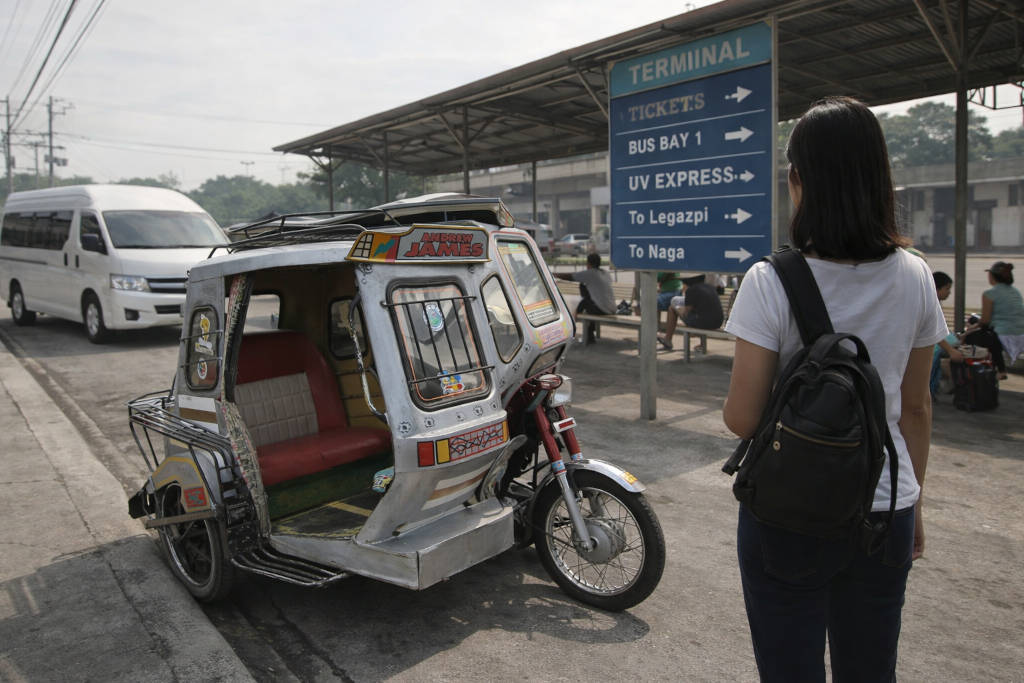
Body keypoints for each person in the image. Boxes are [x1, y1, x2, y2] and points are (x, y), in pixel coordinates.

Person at [721, 96, 947, 682]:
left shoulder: (770, 280)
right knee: (871, 668)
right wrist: (912, 505)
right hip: (885, 506)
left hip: (789, 511)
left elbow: (744, 419)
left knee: (789, 667)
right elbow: (916, 409)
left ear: (798, 180)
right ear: (880, 178)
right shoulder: (917, 275)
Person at [961, 261, 1024, 380]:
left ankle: (998, 370)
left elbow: (985, 321)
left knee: (974, 334)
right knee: (980, 325)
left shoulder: (989, 294)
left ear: (992, 276)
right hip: (1021, 333)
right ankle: (999, 368)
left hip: (1003, 335)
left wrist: (969, 330)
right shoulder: (1015, 292)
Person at [554, 252, 615, 342]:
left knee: (584, 303)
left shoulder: (590, 273)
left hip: (602, 309)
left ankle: (571, 325)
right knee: (587, 303)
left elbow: (569, 276)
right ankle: (589, 334)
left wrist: (552, 274)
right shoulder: (605, 273)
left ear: (589, 263)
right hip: (612, 308)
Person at [657, 274, 723, 350]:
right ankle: (702, 344)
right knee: (700, 314)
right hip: (718, 322)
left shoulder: (691, 290)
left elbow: (685, 313)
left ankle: (668, 339)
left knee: (671, 309)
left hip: (706, 324)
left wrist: (677, 309)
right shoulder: (709, 287)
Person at [930, 271, 963, 398]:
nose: (949, 292)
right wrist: (950, 350)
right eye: (947, 288)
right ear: (936, 289)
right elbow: (934, 332)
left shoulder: (934, 302)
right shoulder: (931, 305)